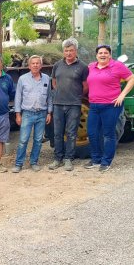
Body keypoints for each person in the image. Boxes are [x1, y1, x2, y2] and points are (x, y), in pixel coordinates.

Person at [84, 45, 134, 172]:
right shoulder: (91, 66)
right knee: (92, 133)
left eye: (105, 53)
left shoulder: (117, 66)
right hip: (94, 105)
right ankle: (96, 159)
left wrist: (122, 95)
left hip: (111, 106)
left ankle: (106, 161)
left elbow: (132, 79)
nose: (103, 55)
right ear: (96, 55)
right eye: (100, 53)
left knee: (108, 134)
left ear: (110, 55)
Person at [48, 38, 89, 171]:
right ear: (63, 51)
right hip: (58, 104)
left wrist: (76, 96)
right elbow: (54, 82)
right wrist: (60, 93)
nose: (68, 53)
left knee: (71, 133)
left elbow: (85, 86)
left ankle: (68, 159)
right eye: (66, 50)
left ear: (75, 51)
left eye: (71, 50)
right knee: (58, 133)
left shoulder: (82, 66)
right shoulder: (57, 65)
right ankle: (57, 159)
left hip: (74, 105)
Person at [12, 55, 53, 173]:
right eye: (33, 63)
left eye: (37, 63)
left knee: (38, 140)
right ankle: (19, 164)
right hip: (27, 114)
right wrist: (18, 114)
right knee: (23, 140)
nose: (35, 65)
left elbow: (49, 96)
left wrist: (49, 112)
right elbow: (18, 97)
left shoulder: (46, 78)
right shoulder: (22, 79)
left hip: (42, 114)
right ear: (29, 66)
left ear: (41, 65)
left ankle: (34, 162)